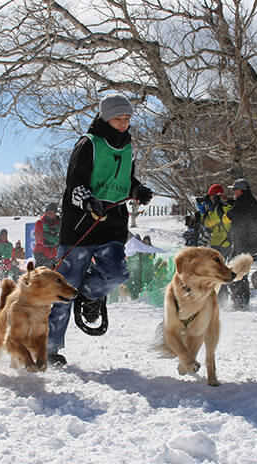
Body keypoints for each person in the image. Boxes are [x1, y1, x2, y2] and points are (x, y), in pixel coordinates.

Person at [47, 93, 153, 366]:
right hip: (81, 225)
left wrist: (137, 189)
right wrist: (88, 201)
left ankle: (90, 295)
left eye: (128, 118)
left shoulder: (128, 146)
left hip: (113, 225)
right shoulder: (88, 144)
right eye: (119, 117)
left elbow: (125, 180)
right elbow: (75, 185)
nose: (124, 122)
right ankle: (49, 347)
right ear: (106, 117)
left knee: (117, 273)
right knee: (64, 288)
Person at [226, 178, 257, 311]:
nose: (233, 192)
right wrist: (229, 201)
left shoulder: (241, 203)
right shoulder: (251, 201)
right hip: (252, 241)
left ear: (240, 190)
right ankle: (242, 300)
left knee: (236, 269)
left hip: (242, 241)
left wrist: (227, 207)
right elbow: (240, 206)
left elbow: (230, 214)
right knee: (243, 270)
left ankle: (239, 301)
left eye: (234, 190)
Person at [33, 202, 61, 268]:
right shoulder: (40, 222)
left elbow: (60, 238)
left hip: (54, 254)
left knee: (52, 273)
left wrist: (54, 241)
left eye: (53, 213)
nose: (51, 215)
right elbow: (39, 238)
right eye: (49, 213)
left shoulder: (59, 223)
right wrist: (51, 241)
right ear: (46, 213)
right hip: (41, 252)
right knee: (41, 272)